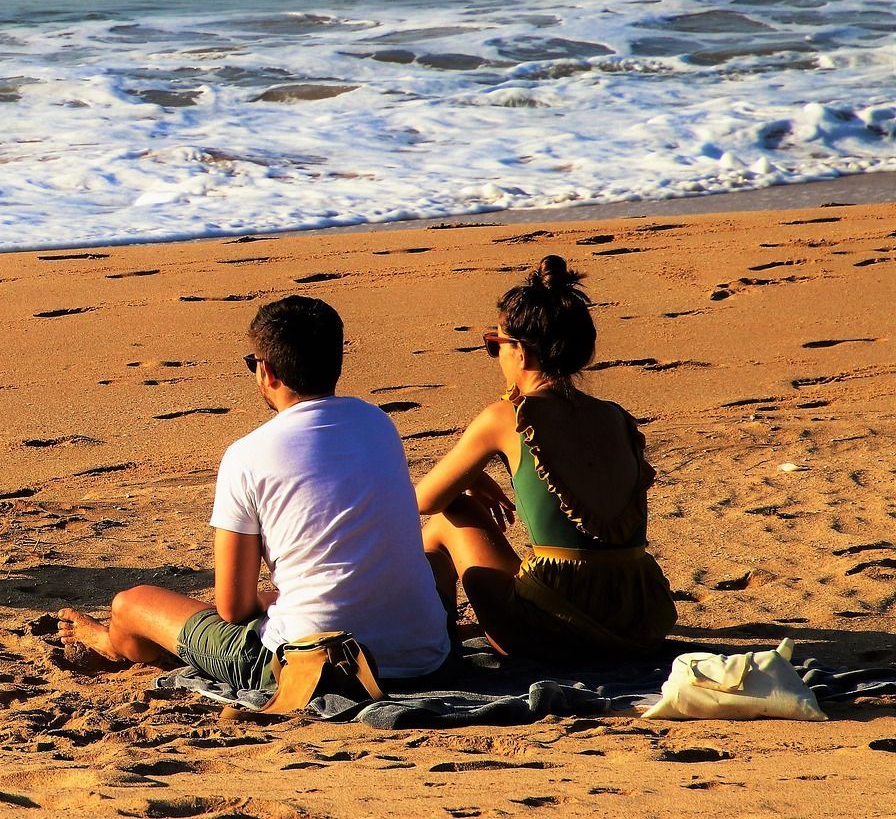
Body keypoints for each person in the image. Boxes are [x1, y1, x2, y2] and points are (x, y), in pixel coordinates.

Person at [57, 295, 450, 689]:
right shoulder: (378, 423)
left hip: (311, 666)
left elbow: (232, 607)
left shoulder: (247, 455)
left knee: (132, 604)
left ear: (266, 372)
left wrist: (268, 600)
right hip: (423, 654)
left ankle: (112, 643)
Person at [417, 256, 676, 658]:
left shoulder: (506, 417)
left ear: (519, 352)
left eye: (494, 344)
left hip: (553, 630)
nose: (496, 355)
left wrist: (468, 479)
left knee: (450, 518)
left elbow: (424, 499)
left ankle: (434, 644)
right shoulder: (616, 416)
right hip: (639, 617)